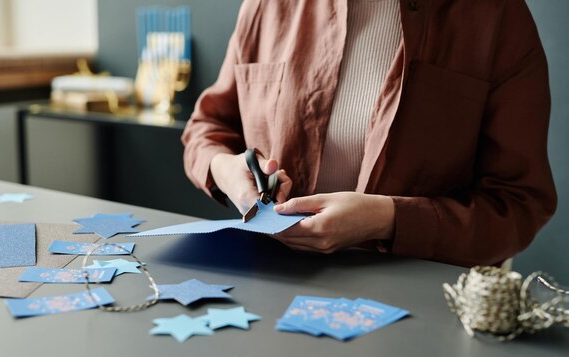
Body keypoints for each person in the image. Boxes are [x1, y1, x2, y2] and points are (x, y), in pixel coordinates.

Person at [181, 0, 557, 267]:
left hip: (419, 318)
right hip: (270, 288)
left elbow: (519, 205)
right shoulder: (268, 6)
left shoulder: (497, 18)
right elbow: (207, 129)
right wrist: (224, 170)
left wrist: (388, 219)